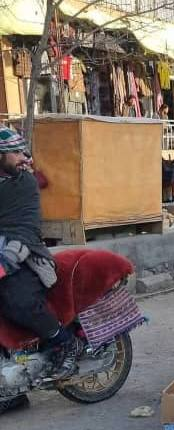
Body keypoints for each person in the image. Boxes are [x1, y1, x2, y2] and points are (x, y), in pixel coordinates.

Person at [0, 128, 78, 379]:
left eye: (21, 151)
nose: (23, 157)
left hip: (27, 257)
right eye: (14, 152)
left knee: (18, 300)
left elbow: (24, 229)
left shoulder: (24, 184)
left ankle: (64, 342)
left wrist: (4, 261)